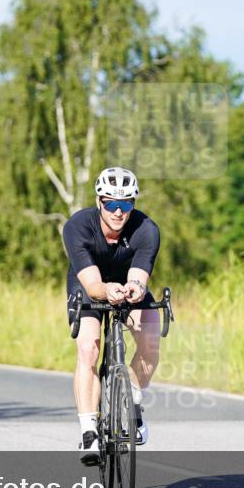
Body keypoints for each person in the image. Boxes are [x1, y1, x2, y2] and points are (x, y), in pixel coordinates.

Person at [63, 167, 161, 465]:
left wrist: (135, 289)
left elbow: (139, 277)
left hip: (126, 285)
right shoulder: (78, 226)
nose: (119, 212)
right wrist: (106, 290)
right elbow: (93, 286)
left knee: (150, 338)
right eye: (111, 204)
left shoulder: (146, 229)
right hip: (88, 283)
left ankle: (133, 401)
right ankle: (89, 430)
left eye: (126, 204)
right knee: (89, 348)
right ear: (99, 202)